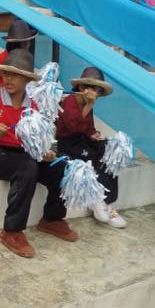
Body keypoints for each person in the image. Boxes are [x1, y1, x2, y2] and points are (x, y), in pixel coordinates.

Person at [0, 49, 71, 259]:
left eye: (14, 75)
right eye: (6, 74)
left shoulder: (33, 107)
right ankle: (12, 231)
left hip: (21, 154)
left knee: (60, 167)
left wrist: (44, 152)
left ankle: (52, 218)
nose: (8, 79)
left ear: (27, 79)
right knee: (27, 168)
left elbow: (36, 140)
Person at [55, 67, 127, 229]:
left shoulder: (89, 106)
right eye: (95, 89)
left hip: (83, 141)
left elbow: (88, 128)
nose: (96, 94)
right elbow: (72, 127)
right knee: (91, 156)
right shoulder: (69, 101)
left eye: (98, 91)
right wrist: (89, 104)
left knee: (109, 153)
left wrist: (93, 134)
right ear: (82, 88)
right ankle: (96, 199)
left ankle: (105, 201)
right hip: (69, 144)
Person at [0, 20, 36, 90]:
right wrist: (0, 89)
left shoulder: (24, 58)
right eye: (27, 42)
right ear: (23, 44)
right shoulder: (3, 58)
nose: (29, 45)